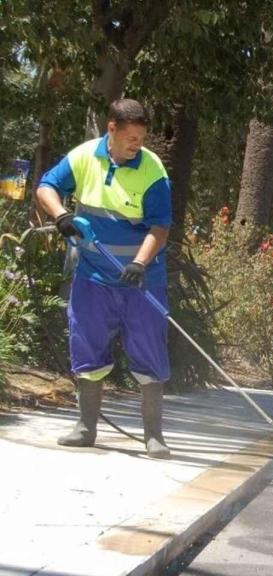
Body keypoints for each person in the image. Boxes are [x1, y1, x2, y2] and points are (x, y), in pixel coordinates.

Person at [35, 99, 173, 458]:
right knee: (87, 344)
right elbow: (46, 186)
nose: (137, 144)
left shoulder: (152, 170)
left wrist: (140, 264)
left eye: (142, 138)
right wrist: (62, 214)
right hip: (93, 276)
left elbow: (160, 228)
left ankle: (153, 436)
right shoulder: (84, 157)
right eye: (131, 137)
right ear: (111, 128)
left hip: (141, 279)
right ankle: (85, 428)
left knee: (149, 348)